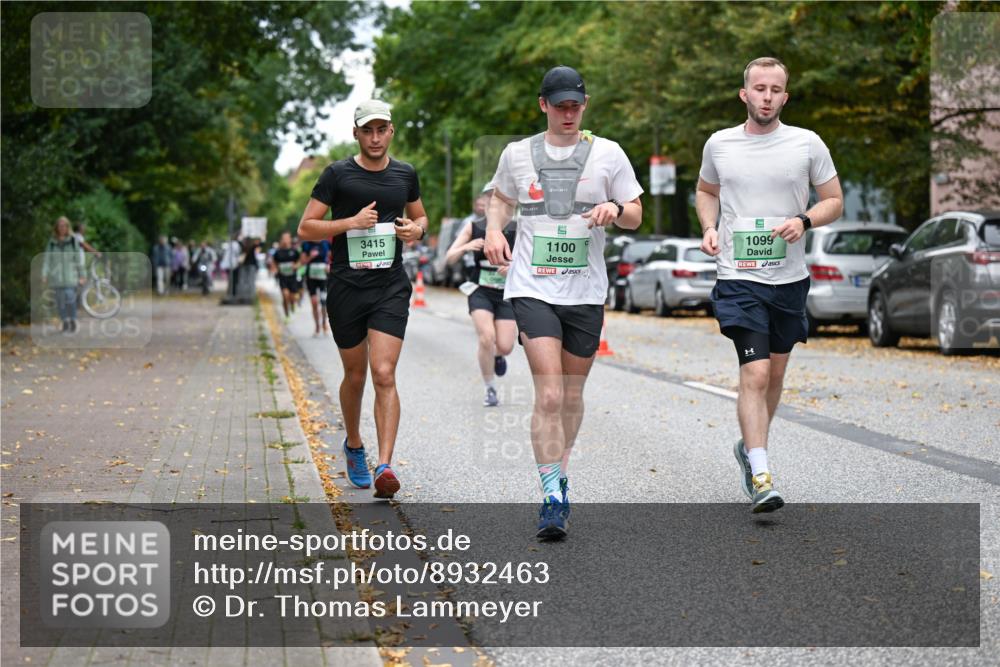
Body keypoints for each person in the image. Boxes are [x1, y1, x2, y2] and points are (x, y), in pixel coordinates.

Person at [484, 66, 643, 539]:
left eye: (576, 105)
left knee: (571, 396)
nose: (568, 114)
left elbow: (635, 214)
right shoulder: (518, 154)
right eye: (560, 106)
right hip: (532, 288)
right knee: (550, 393)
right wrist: (495, 229)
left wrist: (616, 210)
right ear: (543, 105)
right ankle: (552, 495)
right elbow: (499, 199)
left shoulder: (608, 154)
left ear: (585, 104)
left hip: (586, 292)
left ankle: (560, 471)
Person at [696, 57, 843, 513]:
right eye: (758, 88)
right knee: (755, 372)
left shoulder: (807, 144)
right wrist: (708, 226)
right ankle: (761, 474)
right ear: (744, 94)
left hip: (789, 279)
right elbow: (706, 191)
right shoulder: (720, 144)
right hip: (739, 276)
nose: (766, 96)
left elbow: (834, 200)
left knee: (775, 374)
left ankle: (748, 447)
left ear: (785, 96)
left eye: (775, 89)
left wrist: (804, 220)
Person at [297, 99, 427, 499]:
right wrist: (350, 222)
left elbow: (421, 217)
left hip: (390, 286)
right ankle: (354, 444)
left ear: (391, 132)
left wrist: (415, 231)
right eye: (367, 130)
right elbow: (306, 227)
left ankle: (384, 465)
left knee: (384, 373)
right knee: (355, 376)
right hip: (346, 288)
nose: (374, 137)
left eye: (381, 130)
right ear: (356, 133)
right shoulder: (338, 174)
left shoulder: (405, 174)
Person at [445, 185, 517, 407]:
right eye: (489, 201)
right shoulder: (473, 226)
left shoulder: (518, 227)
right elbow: (449, 258)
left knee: (504, 346)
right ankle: (490, 388)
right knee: (487, 337)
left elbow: (531, 260)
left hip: (506, 292)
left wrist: (513, 267)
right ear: (484, 204)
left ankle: (496, 356)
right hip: (480, 290)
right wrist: (466, 246)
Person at [41, 216, 86, 333]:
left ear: (67, 227)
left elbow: (78, 259)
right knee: (60, 302)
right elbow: (47, 259)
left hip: (71, 276)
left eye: (64, 226)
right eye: (60, 226)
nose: (62, 228)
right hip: (56, 277)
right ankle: (65, 321)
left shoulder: (72, 241)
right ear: (56, 227)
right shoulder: (51, 243)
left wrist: (82, 275)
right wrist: (44, 273)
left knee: (70, 298)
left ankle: (72, 320)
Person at [301, 238, 332, 337]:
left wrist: (329, 266)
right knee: (314, 303)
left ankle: (324, 323)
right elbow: (302, 261)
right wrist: (310, 257)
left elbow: (332, 258)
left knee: (324, 303)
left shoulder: (326, 243)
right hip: (311, 277)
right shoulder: (306, 244)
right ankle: (317, 326)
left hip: (323, 277)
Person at [268, 232, 301, 321]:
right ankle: (287, 315)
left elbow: (299, 261)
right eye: (284, 238)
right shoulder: (278, 252)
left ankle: (293, 303)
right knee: (285, 295)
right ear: (281, 240)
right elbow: (273, 262)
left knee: (292, 297)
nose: (285, 240)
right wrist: (275, 269)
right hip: (283, 277)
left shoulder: (294, 251)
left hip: (292, 277)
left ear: (290, 239)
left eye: (287, 238)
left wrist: (296, 266)